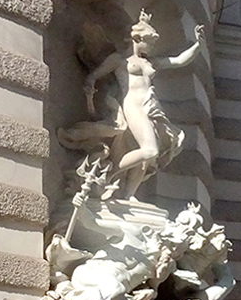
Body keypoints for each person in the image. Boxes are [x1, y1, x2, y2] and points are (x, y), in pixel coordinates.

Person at [82, 11, 206, 199]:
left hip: (151, 107)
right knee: (150, 150)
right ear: (138, 38)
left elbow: (179, 61)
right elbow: (93, 76)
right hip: (133, 105)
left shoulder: (151, 62)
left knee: (148, 159)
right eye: (151, 41)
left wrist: (198, 45)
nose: (153, 46)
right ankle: (108, 175)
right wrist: (90, 91)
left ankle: (128, 195)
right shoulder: (119, 60)